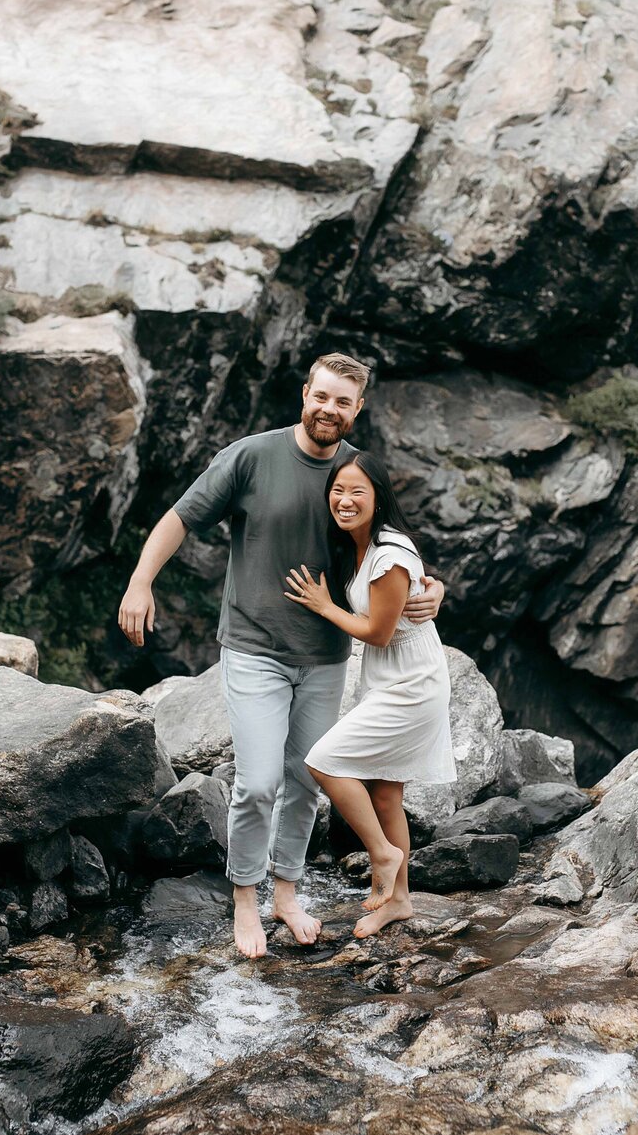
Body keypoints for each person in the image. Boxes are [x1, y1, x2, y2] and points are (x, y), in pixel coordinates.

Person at [117, 354, 444, 959]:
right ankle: (245, 897)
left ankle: (286, 894)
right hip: (254, 650)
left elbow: (390, 545)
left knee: (304, 782)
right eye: (322, 396)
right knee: (260, 782)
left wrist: (431, 587)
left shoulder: (353, 474)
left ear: (356, 410)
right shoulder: (251, 456)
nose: (329, 409)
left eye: (343, 402)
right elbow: (179, 518)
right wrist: (141, 582)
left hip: (325, 656)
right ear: (305, 394)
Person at [284, 452, 455, 938]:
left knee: (324, 760)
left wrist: (323, 606)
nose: (345, 500)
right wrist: (435, 586)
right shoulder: (357, 545)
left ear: (379, 498)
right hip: (390, 677)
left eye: (358, 491)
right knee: (385, 791)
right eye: (338, 491)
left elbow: (378, 633)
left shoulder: (388, 553)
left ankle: (382, 853)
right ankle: (399, 900)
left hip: (412, 682)